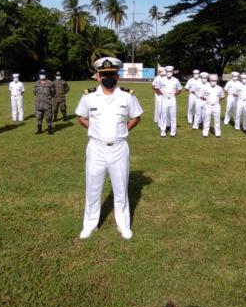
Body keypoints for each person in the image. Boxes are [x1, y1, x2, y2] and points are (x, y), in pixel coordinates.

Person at [75, 57, 143, 240]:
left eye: (112, 74)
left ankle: (123, 224)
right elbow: (80, 116)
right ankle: (89, 225)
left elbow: (136, 117)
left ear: (118, 76)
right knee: (92, 188)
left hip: (119, 148)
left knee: (120, 189)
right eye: (104, 74)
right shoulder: (88, 96)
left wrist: (123, 130)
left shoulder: (127, 96)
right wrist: (93, 129)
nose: (108, 77)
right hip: (96, 148)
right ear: (98, 76)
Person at [155, 65, 183, 137]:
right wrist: (162, 94)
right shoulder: (161, 80)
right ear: (166, 72)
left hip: (172, 99)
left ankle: (173, 132)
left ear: (172, 72)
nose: (169, 73)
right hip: (164, 99)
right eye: (168, 71)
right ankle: (163, 131)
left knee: (173, 116)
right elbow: (157, 88)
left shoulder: (176, 80)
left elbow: (180, 89)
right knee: (163, 115)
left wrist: (174, 94)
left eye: (170, 71)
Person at [200, 73, 225, 137]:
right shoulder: (205, 88)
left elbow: (222, 96)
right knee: (206, 120)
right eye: (212, 80)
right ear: (209, 80)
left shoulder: (219, 88)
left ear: (217, 81)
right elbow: (202, 97)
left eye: (215, 81)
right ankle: (205, 133)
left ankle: (218, 133)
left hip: (216, 106)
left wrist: (217, 101)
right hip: (208, 105)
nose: (213, 82)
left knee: (217, 120)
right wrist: (208, 101)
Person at [34, 69, 55, 134]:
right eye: (41, 74)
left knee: (49, 117)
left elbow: (53, 92)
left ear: (46, 75)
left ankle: (49, 130)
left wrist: (48, 98)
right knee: (39, 117)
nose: (42, 75)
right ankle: (39, 130)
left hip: (47, 104)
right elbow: (34, 92)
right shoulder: (36, 83)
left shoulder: (50, 83)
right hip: (39, 104)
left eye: (43, 74)